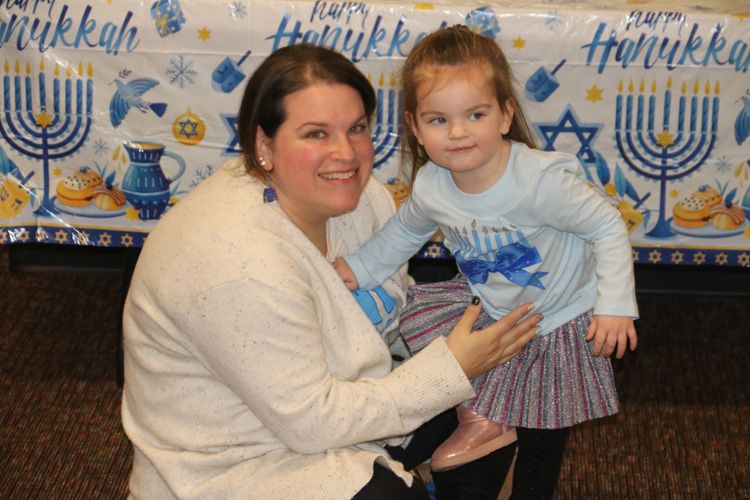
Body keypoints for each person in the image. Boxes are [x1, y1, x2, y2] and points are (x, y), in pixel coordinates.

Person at [120, 43, 541, 500]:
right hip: (240, 460)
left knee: (533, 366)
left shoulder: (362, 199)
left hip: (348, 406)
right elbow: (311, 422)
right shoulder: (237, 262)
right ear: (264, 145)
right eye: (316, 134)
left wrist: (477, 343)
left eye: (356, 128)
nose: (346, 153)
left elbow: (394, 318)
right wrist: (453, 367)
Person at [334, 25, 639, 498]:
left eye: (475, 114)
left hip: (560, 316)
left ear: (504, 115)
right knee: (442, 350)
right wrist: (358, 267)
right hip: (493, 303)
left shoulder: (539, 183)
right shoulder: (433, 185)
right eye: (438, 120)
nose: (458, 132)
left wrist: (614, 304)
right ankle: (484, 420)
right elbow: (405, 231)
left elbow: (607, 226)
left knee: (542, 430)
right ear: (415, 127)